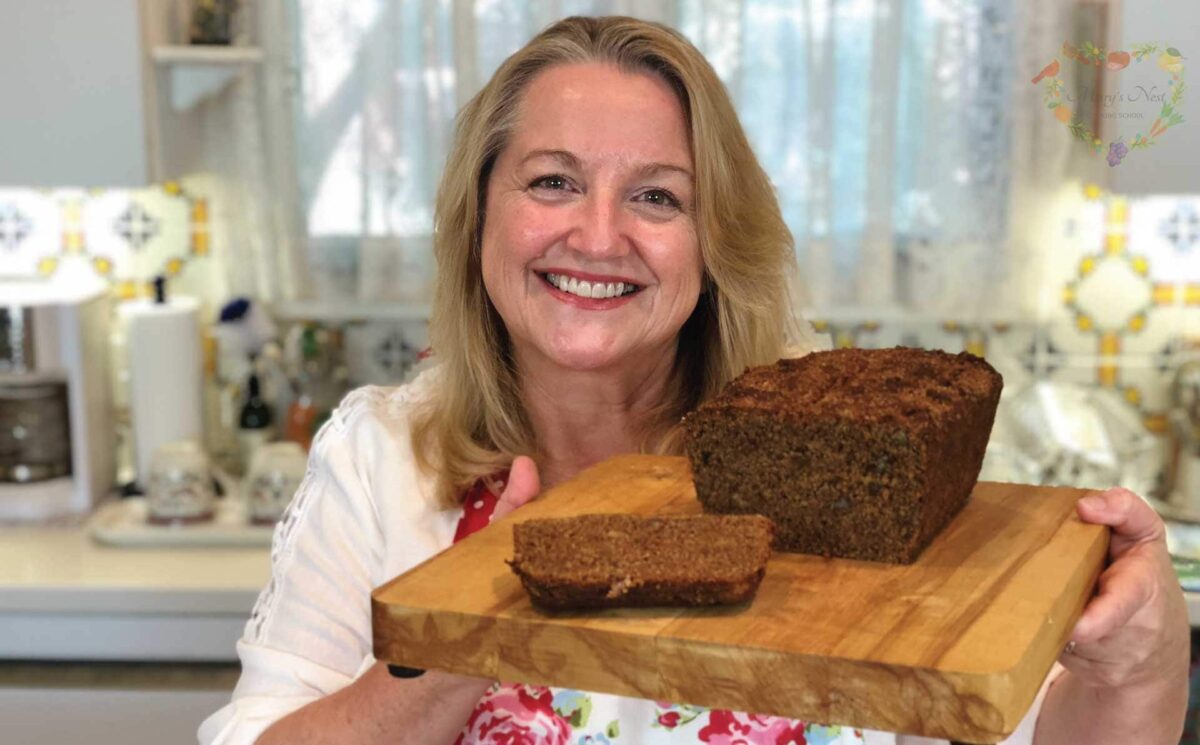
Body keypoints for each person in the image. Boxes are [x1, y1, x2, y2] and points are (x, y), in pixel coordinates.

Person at [199, 15, 1189, 745]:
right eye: (551, 180)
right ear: (481, 216)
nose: (597, 233)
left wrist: (1141, 661)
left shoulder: (850, 479)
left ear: (715, 243)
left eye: (657, 196)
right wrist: (466, 634)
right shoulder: (382, 457)